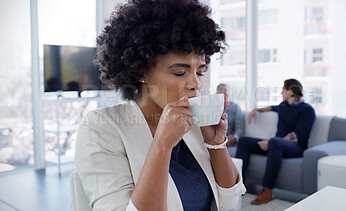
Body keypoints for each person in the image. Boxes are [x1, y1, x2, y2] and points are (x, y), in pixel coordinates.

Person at [75, 0, 246, 210]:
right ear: (141, 71)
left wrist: (216, 144)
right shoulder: (101, 128)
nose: (196, 84)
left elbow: (229, 202)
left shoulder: (192, 122)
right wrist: (163, 144)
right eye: (179, 72)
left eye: (200, 71)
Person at [235, 79, 315, 205]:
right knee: (244, 141)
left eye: (283, 89)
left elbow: (298, 135)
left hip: (296, 147)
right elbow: (271, 107)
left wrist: (270, 143)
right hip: (276, 146)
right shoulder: (283, 106)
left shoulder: (307, 110)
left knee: (274, 142)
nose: (282, 92)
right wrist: (257, 109)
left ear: (291, 91)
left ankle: (267, 191)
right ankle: (238, 186)